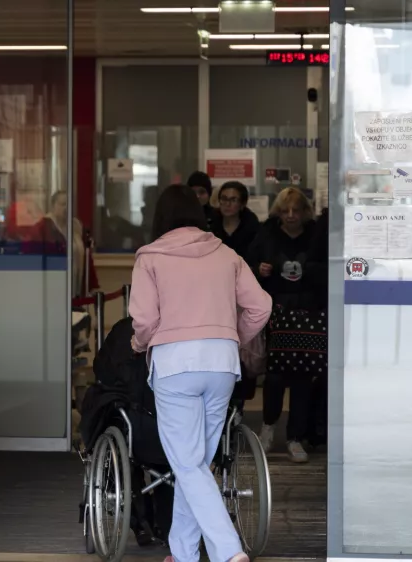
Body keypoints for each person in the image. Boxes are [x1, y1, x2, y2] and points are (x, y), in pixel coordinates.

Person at [129, 184, 271, 562]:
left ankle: (228, 551)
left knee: (188, 465)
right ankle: (184, 552)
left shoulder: (150, 257)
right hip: (222, 364)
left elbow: (143, 319)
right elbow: (261, 306)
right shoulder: (226, 254)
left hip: (176, 365)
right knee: (197, 467)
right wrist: (231, 337)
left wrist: (140, 344)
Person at [247, 187, 324, 463]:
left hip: (309, 311)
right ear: (278, 212)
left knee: (303, 377)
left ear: (305, 211)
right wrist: (260, 270)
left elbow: (328, 268)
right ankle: (268, 427)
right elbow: (249, 264)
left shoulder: (317, 235)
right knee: (276, 375)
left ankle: (295, 437)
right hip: (276, 309)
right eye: (285, 210)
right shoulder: (267, 233)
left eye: (296, 210)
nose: (290, 216)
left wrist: (311, 271)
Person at [27, 190, 99, 297]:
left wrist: (91, 286)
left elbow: (86, 256)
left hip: (76, 287)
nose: (66, 208)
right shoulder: (42, 227)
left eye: (69, 204)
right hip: (52, 288)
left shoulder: (76, 226)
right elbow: (32, 258)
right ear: (53, 206)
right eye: (62, 204)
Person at [211, 181, 260, 260]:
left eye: (233, 200)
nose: (227, 204)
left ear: (242, 204)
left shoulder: (252, 228)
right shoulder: (210, 224)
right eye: (224, 199)